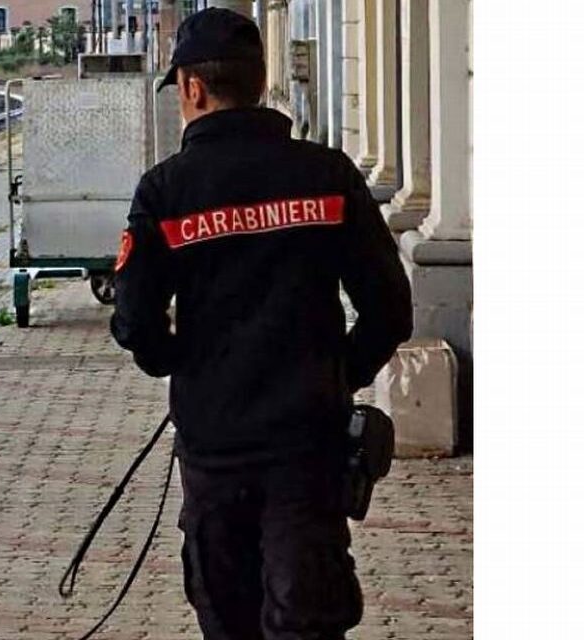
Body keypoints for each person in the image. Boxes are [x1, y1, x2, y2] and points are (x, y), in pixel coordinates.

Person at [110, 8, 413, 640]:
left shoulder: (166, 191)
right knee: (308, 617)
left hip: (216, 447)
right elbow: (390, 310)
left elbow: (136, 324)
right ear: (257, 79)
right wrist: (333, 374)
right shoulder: (327, 176)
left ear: (192, 88)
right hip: (307, 443)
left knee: (229, 620)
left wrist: (183, 364)